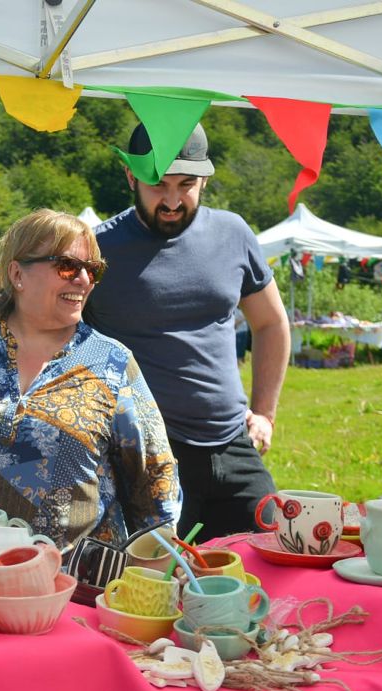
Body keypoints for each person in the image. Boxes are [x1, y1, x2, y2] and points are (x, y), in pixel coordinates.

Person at [0, 209, 182, 553]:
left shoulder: (112, 362)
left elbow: (154, 479)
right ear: (17, 273)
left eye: (92, 270)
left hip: (72, 587)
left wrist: (161, 567)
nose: (82, 280)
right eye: (67, 266)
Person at [83, 122, 290, 543]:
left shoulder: (233, 233)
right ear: (131, 178)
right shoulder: (97, 250)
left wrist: (265, 414)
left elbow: (270, 323)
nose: (173, 201)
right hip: (147, 453)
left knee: (271, 560)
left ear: (205, 181)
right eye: (158, 184)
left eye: (187, 185)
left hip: (234, 443)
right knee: (157, 585)